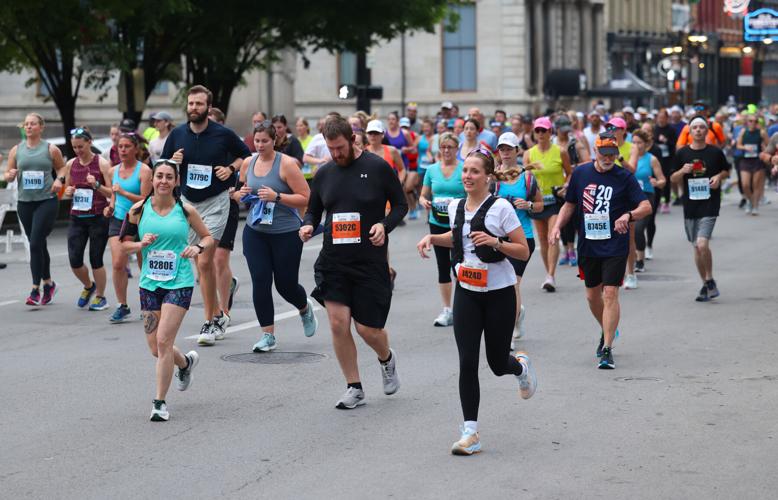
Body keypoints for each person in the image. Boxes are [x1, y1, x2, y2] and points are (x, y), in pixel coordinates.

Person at [416, 146, 537, 456]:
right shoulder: (456, 207)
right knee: (467, 361)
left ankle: (519, 368)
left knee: (497, 364)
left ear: (488, 177)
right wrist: (432, 238)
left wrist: (497, 242)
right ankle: (470, 432)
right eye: (465, 171)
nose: (467, 176)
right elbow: (458, 238)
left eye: (474, 171)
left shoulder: (501, 209)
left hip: (499, 294)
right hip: (467, 293)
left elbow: (523, 250)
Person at [299, 115, 407, 409]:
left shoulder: (377, 167)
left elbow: (401, 205)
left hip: (369, 261)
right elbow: (313, 210)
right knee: (337, 322)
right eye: (331, 149)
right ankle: (354, 386)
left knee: (367, 330)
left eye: (340, 148)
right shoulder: (324, 174)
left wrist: (384, 225)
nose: (336, 154)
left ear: (353, 140)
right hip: (334, 260)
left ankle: (386, 358)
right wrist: (308, 225)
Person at [121, 159, 213, 422]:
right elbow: (122, 244)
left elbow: (206, 237)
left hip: (179, 282)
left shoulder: (186, 210)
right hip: (149, 283)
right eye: (159, 176)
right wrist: (139, 244)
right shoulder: (138, 210)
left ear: (176, 181)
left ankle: (159, 403)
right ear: (152, 180)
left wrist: (198, 248)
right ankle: (184, 363)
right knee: (155, 348)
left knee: (163, 342)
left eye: (168, 177)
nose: (163, 181)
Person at [550, 133, 652, 369]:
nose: (607, 158)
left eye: (612, 154)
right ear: (595, 152)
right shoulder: (581, 174)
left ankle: (607, 348)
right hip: (588, 245)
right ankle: (607, 329)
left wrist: (628, 215)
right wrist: (557, 226)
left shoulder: (625, 177)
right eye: (603, 153)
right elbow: (570, 204)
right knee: (591, 296)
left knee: (610, 294)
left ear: (617, 154)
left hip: (615, 244)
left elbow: (646, 206)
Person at [161, 85, 251, 345]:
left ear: (208, 108)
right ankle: (219, 314)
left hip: (216, 202)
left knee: (203, 260)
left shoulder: (222, 134)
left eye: (199, 104)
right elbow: (163, 166)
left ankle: (211, 320)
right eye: (190, 104)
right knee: (201, 264)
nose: (194, 108)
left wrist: (231, 169)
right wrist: (172, 163)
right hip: (189, 202)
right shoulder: (177, 135)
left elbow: (245, 155)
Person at [237, 121, 318, 352]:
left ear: (275, 140)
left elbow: (306, 197)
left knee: (285, 284)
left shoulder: (287, 164)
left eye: (265, 141)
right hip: (256, 231)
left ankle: (304, 308)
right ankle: (267, 335)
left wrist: (277, 197)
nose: (260, 145)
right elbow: (240, 192)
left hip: (285, 232)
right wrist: (240, 194)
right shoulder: (247, 163)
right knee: (260, 280)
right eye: (257, 141)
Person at [2, 113, 67, 306]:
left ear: (41, 127)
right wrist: (10, 175)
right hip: (25, 203)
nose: (28, 127)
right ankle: (49, 283)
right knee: (38, 244)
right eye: (26, 124)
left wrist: (59, 180)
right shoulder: (16, 150)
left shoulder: (50, 149)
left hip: (46, 201)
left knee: (36, 242)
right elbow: (8, 174)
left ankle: (34, 289)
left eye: (32, 124)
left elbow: (62, 169)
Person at [670, 116, 730, 302]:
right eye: (694, 127)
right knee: (697, 247)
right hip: (690, 205)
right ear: (689, 131)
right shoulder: (682, 154)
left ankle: (710, 278)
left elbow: (726, 170)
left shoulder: (715, 152)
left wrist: (719, 177)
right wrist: (682, 171)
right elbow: (673, 178)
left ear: (706, 131)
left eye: (701, 127)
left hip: (710, 203)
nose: (698, 130)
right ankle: (706, 284)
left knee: (702, 243)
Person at [494, 132, 542, 347]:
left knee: (513, 285)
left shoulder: (528, 177)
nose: (505, 153)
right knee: (499, 287)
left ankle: (507, 331)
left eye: (509, 149)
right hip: (497, 237)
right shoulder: (493, 177)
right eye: (502, 149)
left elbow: (540, 205)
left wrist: (529, 205)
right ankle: (517, 314)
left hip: (523, 237)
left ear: (516, 151)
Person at [64, 127, 113, 311]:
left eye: (80, 146)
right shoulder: (71, 164)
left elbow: (111, 192)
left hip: (98, 216)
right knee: (74, 259)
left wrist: (97, 184)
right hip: (77, 217)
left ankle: (101, 297)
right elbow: (68, 190)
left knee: (96, 259)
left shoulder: (102, 163)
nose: (77, 150)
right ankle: (88, 285)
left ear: (89, 143)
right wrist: (67, 192)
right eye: (74, 147)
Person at [419, 132, 465, 327]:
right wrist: (424, 202)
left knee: (460, 266)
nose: (446, 150)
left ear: (457, 149)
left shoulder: (464, 169)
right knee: (443, 266)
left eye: (450, 147)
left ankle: (464, 307)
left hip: (459, 224)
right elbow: (423, 195)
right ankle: (447, 310)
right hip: (437, 222)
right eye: (443, 147)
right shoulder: (431, 170)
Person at [105, 133, 153, 322]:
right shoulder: (112, 171)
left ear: (135, 149)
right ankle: (122, 305)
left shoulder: (144, 171)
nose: (122, 150)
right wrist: (109, 207)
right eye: (120, 147)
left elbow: (146, 199)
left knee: (144, 264)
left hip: (140, 218)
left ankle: (148, 301)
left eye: (126, 146)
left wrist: (124, 192)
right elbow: (113, 196)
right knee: (118, 263)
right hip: (118, 219)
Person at [524, 117, 572, 292]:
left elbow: (570, 173)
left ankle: (551, 275)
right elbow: (526, 178)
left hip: (555, 201)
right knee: (543, 240)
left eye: (544, 130)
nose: (540, 134)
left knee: (554, 236)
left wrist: (565, 186)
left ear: (550, 132)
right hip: (537, 202)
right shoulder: (529, 153)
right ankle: (548, 273)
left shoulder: (560, 151)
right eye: (537, 130)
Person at [207, 107, 242, 320]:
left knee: (220, 259)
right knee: (206, 260)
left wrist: (236, 186)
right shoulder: (199, 144)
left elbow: (246, 164)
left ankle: (223, 312)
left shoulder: (230, 142)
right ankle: (227, 286)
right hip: (204, 206)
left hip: (227, 204)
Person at [554, 115, 590, 267]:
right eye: (562, 131)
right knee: (560, 219)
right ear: (556, 129)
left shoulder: (575, 143)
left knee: (574, 217)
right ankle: (566, 250)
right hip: (557, 185)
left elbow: (587, 161)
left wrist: (575, 168)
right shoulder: (552, 143)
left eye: (567, 130)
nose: (565, 133)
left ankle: (572, 249)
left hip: (573, 183)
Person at [629, 129, 665, 274]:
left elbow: (663, 180)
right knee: (629, 230)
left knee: (638, 228)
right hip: (630, 197)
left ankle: (640, 260)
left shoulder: (652, 159)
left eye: (639, 143)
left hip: (646, 197)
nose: (636, 145)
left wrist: (657, 183)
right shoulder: (628, 157)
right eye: (634, 142)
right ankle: (629, 259)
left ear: (646, 144)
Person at [735, 114, 768, 215]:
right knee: (745, 185)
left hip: (757, 161)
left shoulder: (761, 132)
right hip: (746, 160)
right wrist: (745, 148)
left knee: (756, 185)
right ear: (747, 122)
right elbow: (738, 145)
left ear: (758, 123)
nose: (753, 123)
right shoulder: (743, 132)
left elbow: (769, 145)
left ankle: (755, 206)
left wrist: (764, 149)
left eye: (755, 121)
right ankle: (750, 200)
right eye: (750, 121)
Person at [653, 109, 678, 214]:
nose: (661, 120)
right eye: (659, 118)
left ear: (667, 118)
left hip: (668, 158)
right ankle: (657, 201)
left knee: (666, 180)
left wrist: (666, 141)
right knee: (656, 179)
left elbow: (675, 144)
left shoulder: (671, 129)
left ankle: (666, 202)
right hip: (656, 158)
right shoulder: (654, 129)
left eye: (663, 118)